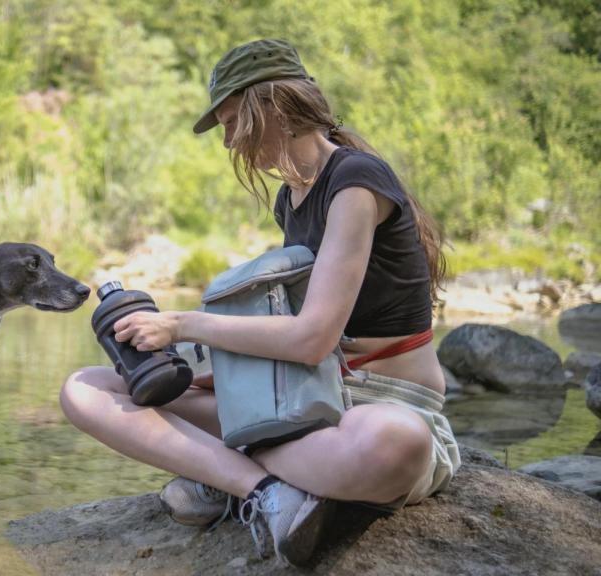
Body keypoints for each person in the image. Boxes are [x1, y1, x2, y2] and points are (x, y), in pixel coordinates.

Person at [59, 39, 460, 566]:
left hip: (381, 405)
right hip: (303, 401)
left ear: (272, 106)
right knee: (86, 389)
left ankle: (225, 472)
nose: (229, 141)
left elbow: (313, 337)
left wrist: (181, 325)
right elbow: (298, 336)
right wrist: (220, 375)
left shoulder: (356, 181)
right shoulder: (290, 198)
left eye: (232, 121)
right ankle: (268, 493)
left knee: (397, 442)